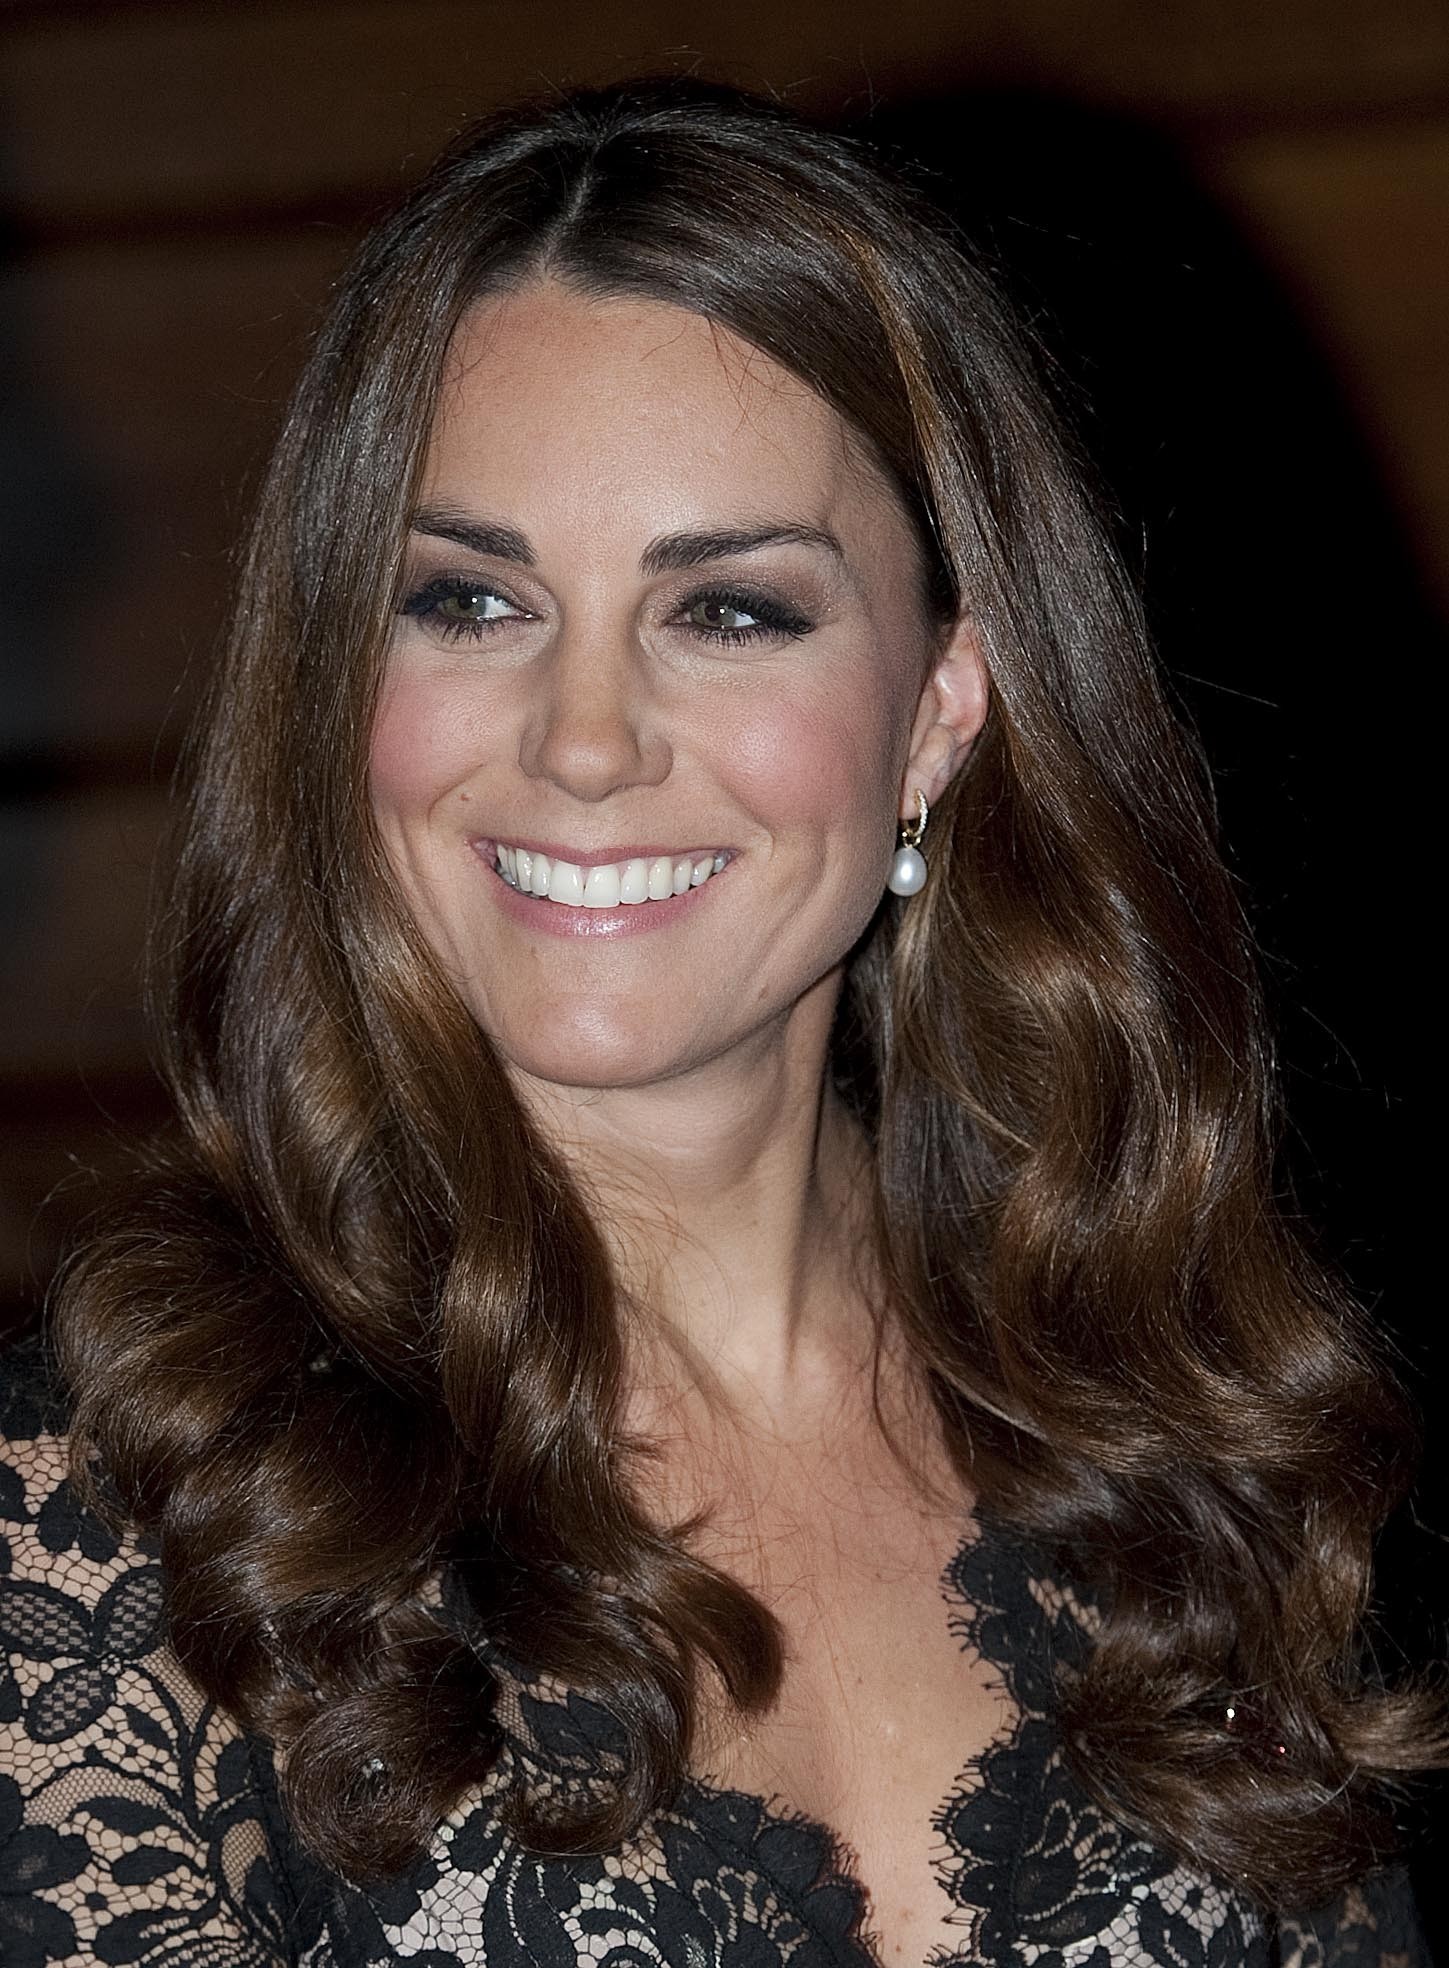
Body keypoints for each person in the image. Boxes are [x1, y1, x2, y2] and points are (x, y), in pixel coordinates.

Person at [0, 77, 1441, 1968]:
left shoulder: (1184, 1445)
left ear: (939, 705)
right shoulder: (113, 1523)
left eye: (731, 612)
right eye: (469, 601)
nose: (585, 741)